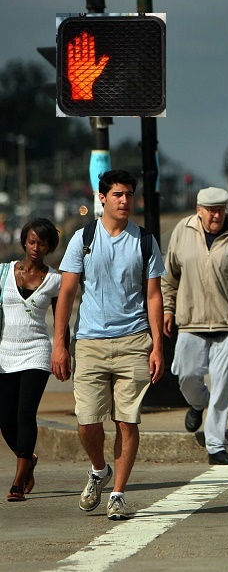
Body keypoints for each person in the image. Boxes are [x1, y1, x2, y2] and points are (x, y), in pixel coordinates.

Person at [51, 169, 166, 521]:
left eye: (129, 194)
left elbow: (154, 295)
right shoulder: (83, 239)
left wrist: (157, 345)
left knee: (127, 421)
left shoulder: (144, 240)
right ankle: (99, 469)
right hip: (89, 341)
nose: (124, 200)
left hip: (134, 341)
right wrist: (60, 343)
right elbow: (67, 292)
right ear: (102, 198)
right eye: (117, 194)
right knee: (87, 422)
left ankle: (118, 493)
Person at [162, 186, 228, 465]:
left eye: (220, 210)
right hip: (190, 321)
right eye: (210, 210)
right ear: (199, 210)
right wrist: (167, 308)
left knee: (223, 386)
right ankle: (197, 403)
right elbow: (170, 275)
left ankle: (215, 445)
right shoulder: (183, 230)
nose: (216, 215)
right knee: (186, 376)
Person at [0, 219, 61, 502]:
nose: (37, 248)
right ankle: (29, 459)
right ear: (24, 241)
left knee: (25, 413)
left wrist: (63, 350)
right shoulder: (4, 272)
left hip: (37, 352)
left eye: (43, 243)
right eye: (32, 241)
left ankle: (17, 481)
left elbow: (62, 321)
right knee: (5, 418)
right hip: (5, 353)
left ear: (50, 246)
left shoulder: (55, 280)